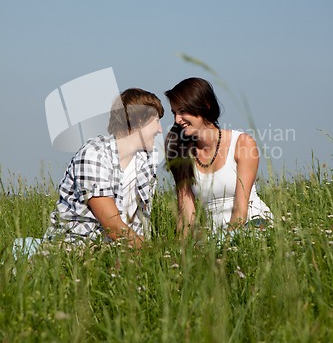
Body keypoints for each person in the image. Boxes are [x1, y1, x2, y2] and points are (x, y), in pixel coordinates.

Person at [44, 88, 164, 248]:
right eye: (156, 120)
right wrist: (154, 251)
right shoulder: (94, 154)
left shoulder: (148, 158)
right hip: (77, 246)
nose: (160, 129)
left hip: (121, 249)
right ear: (140, 121)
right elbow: (113, 227)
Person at [164, 77, 272, 236]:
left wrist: (226, 242)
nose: (177, 120)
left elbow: (240, 209)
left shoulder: (242, 143)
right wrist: (182, 253)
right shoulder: (181, 152)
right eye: (174, 113)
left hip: (253, 225)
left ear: (205, 106)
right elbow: (186, 213)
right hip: (215, 235)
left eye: (182, 111)